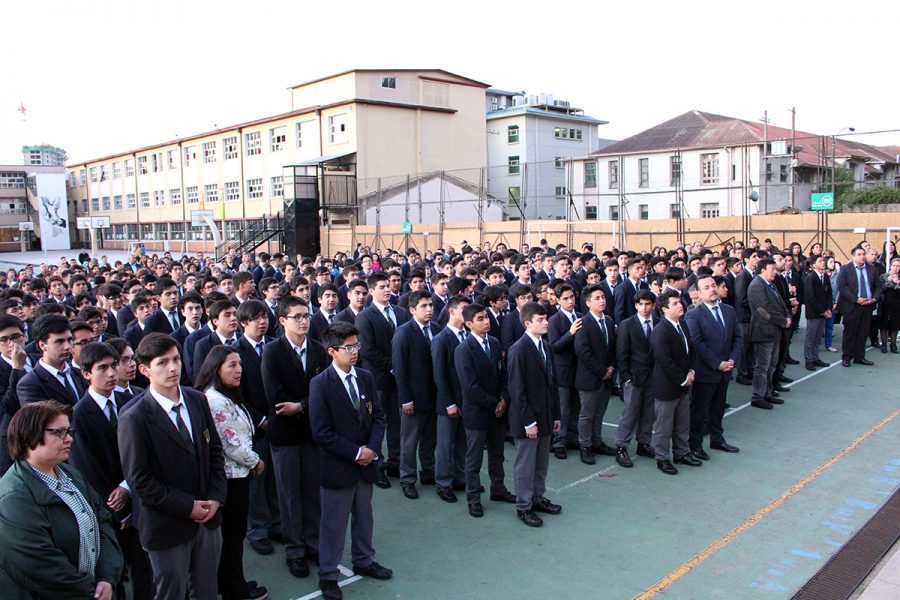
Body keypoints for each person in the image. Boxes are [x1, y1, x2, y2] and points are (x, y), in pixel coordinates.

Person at [118, 333, 227, 600]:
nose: (173, 368)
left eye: (176, 359)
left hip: (208, 519)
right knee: (171, 593)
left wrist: (215, 497)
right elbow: (140, 480)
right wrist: (188, 506)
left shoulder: (196, 399)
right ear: (144, 370)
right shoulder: (134, 417)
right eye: (163, 362)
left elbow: (213, 450)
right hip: (166, 526)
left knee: (207, 590)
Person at [0, 400, 123, 599]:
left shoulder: (71, 475)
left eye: (68, 431)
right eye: (59, 432)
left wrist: (107, 578)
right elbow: (38, 563)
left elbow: (102, 522)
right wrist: (90, 590)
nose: (69, 439)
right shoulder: (13, 497)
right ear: (29, 435)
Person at [308, 322, 392, 600]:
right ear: (332, 351)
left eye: (357, 345)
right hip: (339, 466)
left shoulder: (365, 377)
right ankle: (329, 574)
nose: (355, 351)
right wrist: (357, 452)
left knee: (364, 516)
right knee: (333, 523)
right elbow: (322, 433)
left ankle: (364, 559)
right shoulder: (320, 385)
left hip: (366, 464)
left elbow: (377, 416)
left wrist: (371, 448)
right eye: (348, 347)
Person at [69, 342, 154, 600]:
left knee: (143, 568)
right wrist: (119, 509)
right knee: (112, 572)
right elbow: (88, 469)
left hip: (136, 495)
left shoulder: (130, 400)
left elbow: (143, 453)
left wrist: (128, 487)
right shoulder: (80, 414)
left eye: (114, 366)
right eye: (102, 368)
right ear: (86, 374)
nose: (111, 373)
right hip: (108, 509)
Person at [261, 296, 329, 579]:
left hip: (311, 432)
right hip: (285, 435)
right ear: (282, 321)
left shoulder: (318, 350)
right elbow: (275, 396)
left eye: (306, 316)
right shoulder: (272, 352)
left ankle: (312, 544)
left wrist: (301, 405)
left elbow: (322, 389)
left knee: (313, 493)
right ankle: (295, 551)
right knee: (289, 495)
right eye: (297, 317)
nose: (303, 321)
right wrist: (302, 403)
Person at [195, 345, 268, 600]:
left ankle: (229, 582)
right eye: (232, 365)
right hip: (231, 477)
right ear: (217, 369)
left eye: (239, 364)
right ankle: (234, 588)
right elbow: (229, 443)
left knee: (231, 537)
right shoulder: (215, 400)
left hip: (236, 475)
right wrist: (255, 461)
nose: (239, 370)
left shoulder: (225, 396)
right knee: (232, 537)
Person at [455, 303, 514, 518]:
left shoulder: (496, 344)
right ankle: (473, 498)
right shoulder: (463, 350)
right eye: (480, 319)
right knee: (474, 459)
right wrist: (494, 404)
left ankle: (498, 489)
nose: (486, 321)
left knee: (497, 454)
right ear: (469, 324)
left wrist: (504, 399)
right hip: (478, 413)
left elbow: (503, 376)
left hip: (497, 412)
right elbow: (470, 388)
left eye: (486, 317)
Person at [506, 302, 562, 527]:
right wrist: (529, 421)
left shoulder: (546, 346)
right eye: (540, 320)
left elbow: (553, 383)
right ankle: (523, 505)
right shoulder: (518, 350)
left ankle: (537, 498)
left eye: (545, 318)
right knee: (525, 464)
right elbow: (517, 390)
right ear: (527, 323)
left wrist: (556, 414)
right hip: (528, 418)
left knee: (541, 462)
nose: (545, 322)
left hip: (546, 414)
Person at [355, 272, 409, 486]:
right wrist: (392, 366)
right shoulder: (365, 316)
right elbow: (367, 350)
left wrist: (400, 369)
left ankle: (395, 462)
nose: (387, 290)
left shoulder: (401, 312)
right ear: (371, 291)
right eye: (382, 287)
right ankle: (377, 465)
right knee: (377, 423)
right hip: (378, 379)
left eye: (388, 286)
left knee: (397, 423)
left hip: (399, 380)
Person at [684, 276, 742, 458]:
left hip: (725, 371)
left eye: (713, 286)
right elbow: (697, 344)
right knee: (699, 411)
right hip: (706, 371)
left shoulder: (729, 310)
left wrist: (732, 360)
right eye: (706, 287)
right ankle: (695, 445)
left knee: (718, 408)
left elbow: (737, 338)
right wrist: (717, 363)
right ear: (699, 294)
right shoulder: (694, 314)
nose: (712, 289)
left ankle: (717, 439)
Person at [392, 290, 441, 499]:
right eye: (424, 306)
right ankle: (408, 478)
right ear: (412, 310)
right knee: (409, 441)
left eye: (430, 305)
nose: (429, 309)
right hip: (413, 397)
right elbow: (399, 368)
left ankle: (428, 471)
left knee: (430, 438)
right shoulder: (404, 332)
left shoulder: (437, 329)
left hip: (433, 395)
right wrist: (406, 398)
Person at [650, 290, 699, 475]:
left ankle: (681, 452)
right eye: (675, 304)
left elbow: (691, 350)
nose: (681, 305)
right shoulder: (660, 331)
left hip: (684, 384)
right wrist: (683, 378)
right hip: (667, 386)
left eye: (680, 302)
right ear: (664, 309)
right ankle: (662, 458)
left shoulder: (683, 325)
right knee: (664, 425)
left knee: (682, 422)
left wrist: (692, 370)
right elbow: (665, 360)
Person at [430, 295, 470, 503]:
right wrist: (449, 403)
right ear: (452, 311)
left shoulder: (467, 335)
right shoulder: (441, 339)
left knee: (462, 442)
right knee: (445, 445)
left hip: (467, 400)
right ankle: (444, 483)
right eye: (464, 308)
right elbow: (440, 375)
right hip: (449, 401)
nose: (468, 312)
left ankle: (460, 477)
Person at [614, 290, 658, 467]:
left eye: (648, 304)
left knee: (649, 412)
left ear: (653, 305)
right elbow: (622, 353)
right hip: (634, 377)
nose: (645, 308)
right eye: (641, 304)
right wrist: (626, 378)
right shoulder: (627, 325)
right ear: (636, 305)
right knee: (630, 413)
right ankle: (621, 446)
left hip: (653, 377)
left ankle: (644, 443)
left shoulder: (659, 323)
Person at [573, 284, 616, 464]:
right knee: (587, 414)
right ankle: (585, 446)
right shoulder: (584, 323)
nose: (602, 301)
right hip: (590, 377)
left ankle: (597, 442)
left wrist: (611, 368)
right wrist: (602, 371)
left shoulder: (607, 321)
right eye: (597, 298)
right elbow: (583, 352)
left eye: (603, 297)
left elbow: (613, 348)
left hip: (606, 377)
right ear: (588, 303)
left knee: (600, 412)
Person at [747, 259, 791, 409]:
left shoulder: (770, 285)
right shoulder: (756, 286)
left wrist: (787, 316)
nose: (775, 271)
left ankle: (768, 392)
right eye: (772, 269)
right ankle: (758, 396)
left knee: (771, 365)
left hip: (774, 331)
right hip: (764, 332)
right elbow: (764, 309)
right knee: (762, 366)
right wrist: (783, 321)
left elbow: (781, 303)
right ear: (762, 270)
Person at [18, 314, 87, 407]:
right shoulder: (29, 384)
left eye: (70, 340)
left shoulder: (78, 373)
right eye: (59, 341)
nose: (67, 346)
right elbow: (41, 420)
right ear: (42, 345)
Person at [548, 283, 582, 459]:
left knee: (576, 406)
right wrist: (570, 333)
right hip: (562, 371)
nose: (570, 301)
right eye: (566, 299)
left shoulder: (581, 317)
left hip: (579, 370)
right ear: (558, 301)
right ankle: (559, 442)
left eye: (572, 297)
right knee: (563, 408)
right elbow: (554, 346)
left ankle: (573, 437)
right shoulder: (554, 320)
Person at [836, 247, 881, 367]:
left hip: (867, 306)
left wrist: (874, 299)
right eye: (859, 254)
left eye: (863, 254)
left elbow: (878, 286)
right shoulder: (846, 269)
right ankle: (846, 357)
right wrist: (856, 299)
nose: (862, 256)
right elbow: (842, 287)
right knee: (850, 333)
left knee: (863, 332)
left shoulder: (871, 269)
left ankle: (859, 357)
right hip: (852, 306)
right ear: (853, 256)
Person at [0, 315, 31, 474]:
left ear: (24, 335)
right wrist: (17, 367)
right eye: (4, 340)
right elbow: (9, 405)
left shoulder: (38, 360)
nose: (11, 344)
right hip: (13, 443)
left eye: (15, 337)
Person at [802, 255, 833, 370]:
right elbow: (811, 297)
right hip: (814, 313)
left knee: (818, 337)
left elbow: (829, 293)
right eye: (820, 261)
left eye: (823, 260)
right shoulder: (810, 277)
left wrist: (829, 308)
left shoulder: (825, 276)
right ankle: (808, 360)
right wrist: (822, 311)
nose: (823, 263)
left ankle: (816, 357)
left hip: (824, 312)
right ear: (814, 264)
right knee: (810, 337)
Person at [877, 257, 900, 354]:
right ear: (890, 266)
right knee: (884, 324)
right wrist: (889, 282)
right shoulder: (883, 276)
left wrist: (898, 284)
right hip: (885, 303)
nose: (895, 268)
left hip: (897, 304)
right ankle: (884, 344)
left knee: (895, 325)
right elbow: (880, 289)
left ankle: (893, 344)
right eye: (894, 265)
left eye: (898, 266)